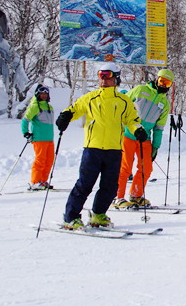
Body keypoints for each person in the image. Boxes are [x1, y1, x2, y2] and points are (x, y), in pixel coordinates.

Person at [56, 62, 144, 229]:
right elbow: (75, 109)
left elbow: (132, 120)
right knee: (84, 184)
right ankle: (70, 217)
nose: (103, 80)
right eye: (100, 76)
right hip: (93, 149)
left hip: (114, 150)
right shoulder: (90, 97)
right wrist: (65, 116)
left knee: (110, 186)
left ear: (116, 78)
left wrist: (138, 130)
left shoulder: (124, 101)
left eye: (107, 76)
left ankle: (98, 215)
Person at [113, 68, 173, 209]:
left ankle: (136, 195)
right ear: (157, 79)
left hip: (145, 138)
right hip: (128, 133)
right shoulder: (141, 90)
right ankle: (117, 196)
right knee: (125, 167)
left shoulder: (164, 104)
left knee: (147, 167)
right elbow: (124, 103)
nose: (164, 85)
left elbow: (159, 128)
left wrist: (155, 147)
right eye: (162, 81)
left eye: (168, 83)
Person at [21, 84, 55, 190]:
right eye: (41, 94)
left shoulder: (50, 107)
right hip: (39, 138)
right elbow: (25, 120)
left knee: (49, 160)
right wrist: (26, 132)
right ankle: (35, 182)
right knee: (40, 160)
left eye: (45, 94)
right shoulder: (34, 106)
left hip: (49, 138)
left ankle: (43, 181)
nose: (44, 96)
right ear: (37, 94)